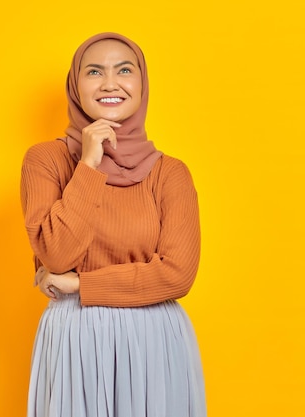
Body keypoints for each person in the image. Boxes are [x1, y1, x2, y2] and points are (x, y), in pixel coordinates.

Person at [20, 32, 206, 417]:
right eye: (93, 72)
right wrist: (88, 164)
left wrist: (81, 283)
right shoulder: (46, 161)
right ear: (75, 86)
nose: (109, 83)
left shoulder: (170, 174)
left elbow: (177, 275)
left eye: (124, 70)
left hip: (154, 339)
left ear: (142, 83)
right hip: (75, 338)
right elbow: (56, 254)